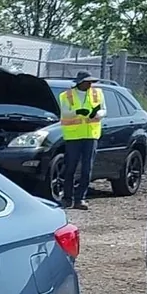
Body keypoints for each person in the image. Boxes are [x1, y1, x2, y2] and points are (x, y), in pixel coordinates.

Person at [57, 71, 105, 209]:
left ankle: (80, 199)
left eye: (91, 82)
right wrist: (77, 112)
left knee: (87, 169)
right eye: (87, 82)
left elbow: (103, 110)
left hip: (91, 135)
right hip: (73, 136)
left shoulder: (97, 93)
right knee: (70, 168)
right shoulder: (66, 95)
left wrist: (97, 114)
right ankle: (67, 198)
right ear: (79, 82)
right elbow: (65, 113)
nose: (90, 84)